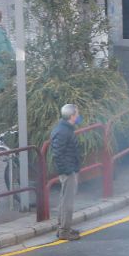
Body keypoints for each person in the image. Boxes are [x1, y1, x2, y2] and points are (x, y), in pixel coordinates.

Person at [50, 103, 84, 240]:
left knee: (64, 200)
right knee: (67, 202)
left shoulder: (64, 129)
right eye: (77, 114)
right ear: (71, 116)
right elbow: (57, 154)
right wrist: (68, 171)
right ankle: (64, 231)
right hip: (68, 171)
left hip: (69, 169)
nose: (78, 116)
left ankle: (63, 228)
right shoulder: (64, 131)